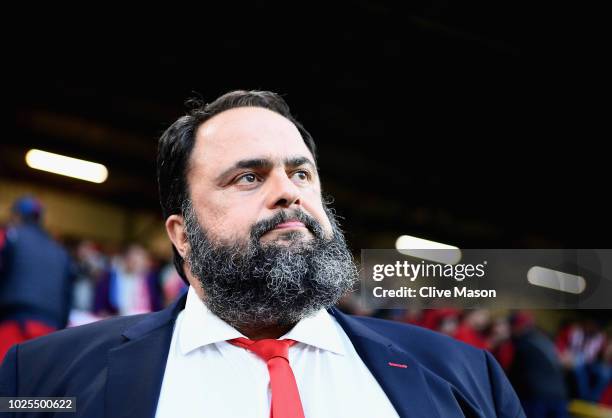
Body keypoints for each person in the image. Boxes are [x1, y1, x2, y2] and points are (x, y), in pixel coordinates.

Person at [0, 91, 525, 418]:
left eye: (301, 174)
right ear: (181, 236)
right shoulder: (42, 380)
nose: (288, 192)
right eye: (248, 177)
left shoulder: (463, 376)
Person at [0, 196, 73, 362]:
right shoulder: (60, 251)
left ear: (16, 216)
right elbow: (68, 295)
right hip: (50, 329)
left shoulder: (11, 236)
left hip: (13, 322)